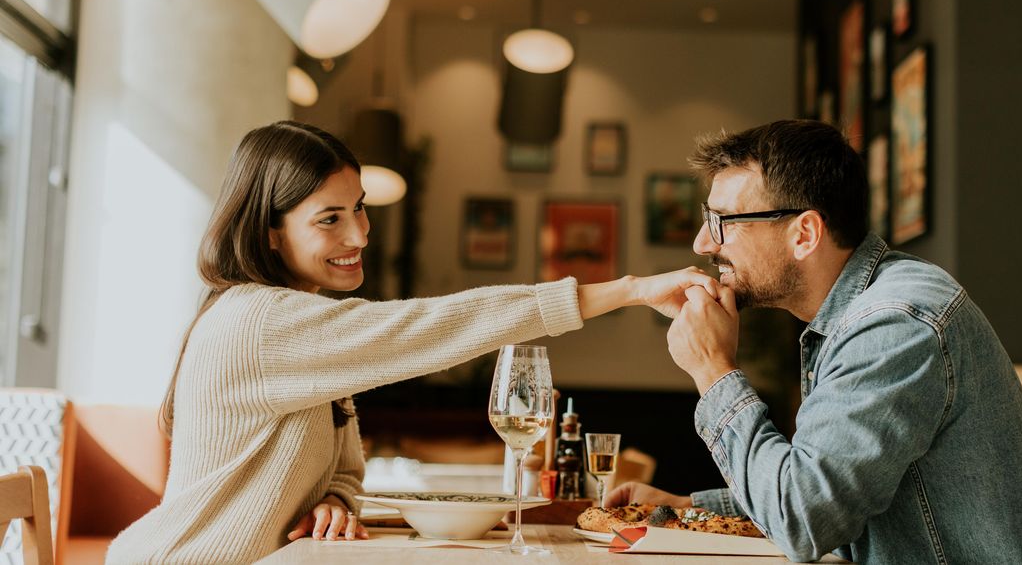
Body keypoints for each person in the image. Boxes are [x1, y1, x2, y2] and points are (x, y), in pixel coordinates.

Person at [105, 121, 716, 564]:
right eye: (330, 218)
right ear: (269, 232)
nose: (360, 234)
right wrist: (630, 288)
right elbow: (437, 326)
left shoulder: (298, 322)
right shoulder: (259, 324)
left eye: (359, 209)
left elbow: (344, 466)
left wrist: (336, 502)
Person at [605, 120, 1022, 564]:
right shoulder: (862, 312)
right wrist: (688, 507)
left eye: (724, 220)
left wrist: (712, 369)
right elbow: (824, 487)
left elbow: (802, 521)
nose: (703, 243)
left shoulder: (894, 324)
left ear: (804, 234)